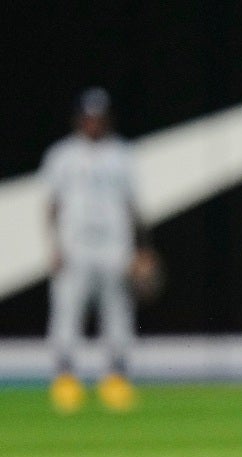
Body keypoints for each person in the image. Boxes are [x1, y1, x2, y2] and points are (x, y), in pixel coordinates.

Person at [42, 87, 153, 413]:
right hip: (74, 246)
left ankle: (115, 379)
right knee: (67, 312)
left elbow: (134, 206)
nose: (94, 123)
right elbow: (51, 206)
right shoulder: (62, 155)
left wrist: (142, 249)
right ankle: (65, 380)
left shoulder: (121, 154)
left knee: (117, 314)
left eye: (99, 117)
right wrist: (53, 246)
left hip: (114, 247)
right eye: (89, 117)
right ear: (80, 119)